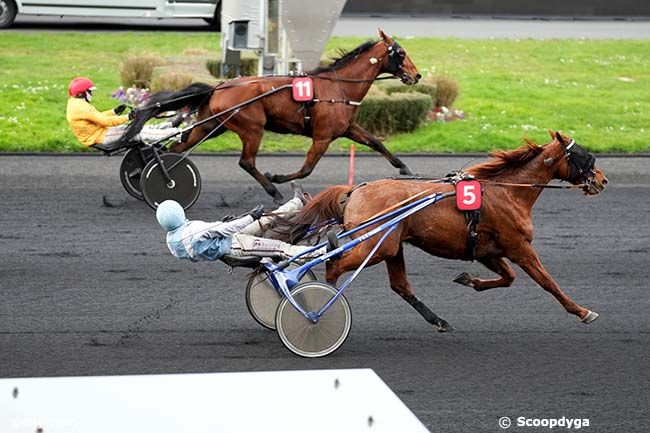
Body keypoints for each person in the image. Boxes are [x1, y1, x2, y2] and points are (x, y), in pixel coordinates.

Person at [156, 183, 337, 263]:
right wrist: (250, 217)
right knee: (281, 248)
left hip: (230, 242)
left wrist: (226, 223)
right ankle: (323, 252)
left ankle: (297, 202)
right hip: (236, 245)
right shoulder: (192, 230)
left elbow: (213, 232)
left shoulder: (173, 241)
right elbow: (221, 229)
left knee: (267, 219)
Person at [66, 76, 182, 148]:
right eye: (89, 92)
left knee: (139, 128)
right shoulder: (80, 107)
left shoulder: (75, 104)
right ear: (81, 93)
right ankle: (177, 134)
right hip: (101, 136)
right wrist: (128, 117)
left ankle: (169, 126)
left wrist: (114, 112)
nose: (91, 94)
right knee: (137, 133)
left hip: (101, 133)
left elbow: (97, 117)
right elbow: (104, 122)